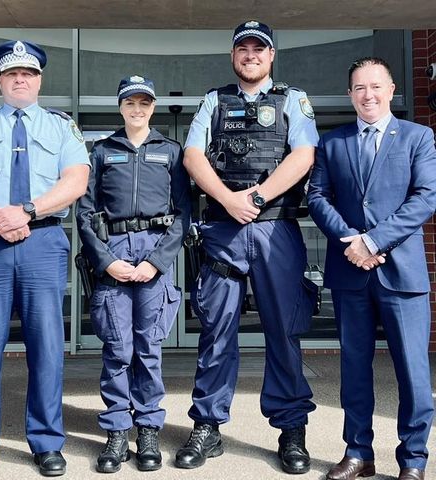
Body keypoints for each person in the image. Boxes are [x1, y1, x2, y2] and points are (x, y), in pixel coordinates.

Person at [174, 21, 319, 475]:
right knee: (216, 333)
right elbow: (193, 156)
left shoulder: (293, 100)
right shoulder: (214, 101)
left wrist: (255, 198)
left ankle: (291, 429)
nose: (251, 55)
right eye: (243, 49)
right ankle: (208, 427)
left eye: (260, 48)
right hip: (223, 229)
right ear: (233, 56)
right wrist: (228, 199)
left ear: (271, 55)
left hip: (276, 230)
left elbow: (304, 155)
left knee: (285, 333)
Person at [0, 40, 90, 479]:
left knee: (48, 349)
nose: (20, 79)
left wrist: (27, 211)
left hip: (43, 242)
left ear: (39, 80)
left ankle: (47, 443)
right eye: (12, 73)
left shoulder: (60, 127)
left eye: (28, 74)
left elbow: (76, 180)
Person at [307, 57, 436, 480]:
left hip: (402, 275)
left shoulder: (419, 137)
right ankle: (358, 453)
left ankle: (414, 460)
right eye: (360, 87)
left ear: (392, 89)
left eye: (376, 86)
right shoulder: (332, 142)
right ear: (350, 94)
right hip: (350, 273)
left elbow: (425, 198)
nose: (369, 94)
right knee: (355, 369)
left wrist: (373, 240)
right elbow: (318, 198)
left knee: (413, 372)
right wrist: (351, 239)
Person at [76, 75, 191, 473]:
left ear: (153, 107)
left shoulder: (171, 152)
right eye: (130, 103)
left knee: (148, 349)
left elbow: (182, 214)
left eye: (144, 103)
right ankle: (115, 432)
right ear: (120, 107)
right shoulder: (102, 152)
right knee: (117, 349)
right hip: (115, 254)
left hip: (153, 255)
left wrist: (156, 262)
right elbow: (86, 212)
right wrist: (106, 260)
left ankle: (147, 430)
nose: (137, 110)